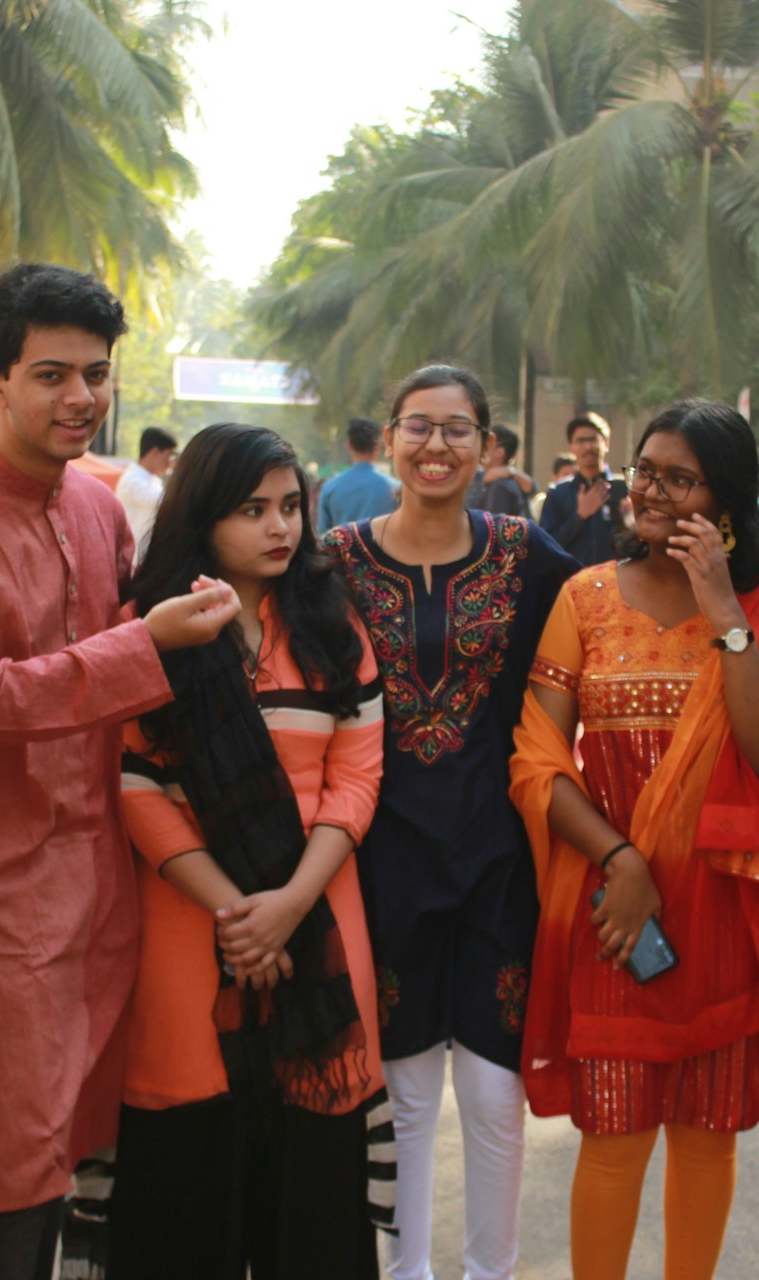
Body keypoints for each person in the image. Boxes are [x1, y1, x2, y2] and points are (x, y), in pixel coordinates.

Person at [0, 264, 240, 1280]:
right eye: (51, 375)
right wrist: (145, 642)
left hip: (94, 871)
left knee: (74, 1144)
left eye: (97, 375)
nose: (81, 397)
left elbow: (106, 663)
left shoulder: (96, 507)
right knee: (12, 1160)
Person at [512, 398, 759, 1280]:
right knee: (613, 1137)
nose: (650, 490)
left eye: (678, 479)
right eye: (644, 471)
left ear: (724, 502)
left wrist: (724, 607)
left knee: (705, 1136)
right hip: (619, 910)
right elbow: (537, 757)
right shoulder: (585, 597)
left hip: (726, 907)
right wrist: (619, 859)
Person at [113, 423, 387, 1278]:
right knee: (192, 1160)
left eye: (290, 506)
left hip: (319, 918)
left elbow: (357, 776)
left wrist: (290, 906)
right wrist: (239, 913)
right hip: (195, 924)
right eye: (252, 509)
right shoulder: (154, 628)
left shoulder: (331, 620)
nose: (280, 527)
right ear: (202, 515)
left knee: (312, 1180)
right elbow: (137, 785)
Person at [323, 367, 577, 1280]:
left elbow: (599, 640)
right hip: (381, 856)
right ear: (390, 437)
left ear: (486, 445)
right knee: (404, 1093)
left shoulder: (528, 554)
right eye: (419, 427)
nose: (437, 446)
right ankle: (406, 1273)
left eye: (457, 429)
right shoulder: (336, 560)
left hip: (500, 856)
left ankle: (489, 1273)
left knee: (494, 1093)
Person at [538, 413, 627, 564]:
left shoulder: (624, 489)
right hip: (573, 576)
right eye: (581, 441)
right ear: (571, 446)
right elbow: (545, 547)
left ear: (606, 443)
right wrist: (579, 517)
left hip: (616, 576)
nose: (588, 447)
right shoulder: (557, 494)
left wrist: (629, 522)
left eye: (593, 440)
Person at [318, 416, 401, 529]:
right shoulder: (395, 488)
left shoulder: (330, 488)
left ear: (349, 445)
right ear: (378, 446)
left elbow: (323, 533)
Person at [115, 426, 177, 559]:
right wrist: (180, 474)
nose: (170, 461)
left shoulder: (152, 480)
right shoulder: (132, 480)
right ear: (155, 452)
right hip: (134, 557)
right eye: (169, 455)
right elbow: (165, 502)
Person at [465, 422, 533, 518]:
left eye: (486, 443)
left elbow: (493, 524)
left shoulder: (500, 486)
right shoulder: (479, 476)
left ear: (499, 453)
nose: (480, 447)